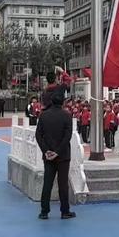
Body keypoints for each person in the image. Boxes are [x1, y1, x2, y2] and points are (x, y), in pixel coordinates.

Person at [35, 91, 76, 220]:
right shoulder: (67, 115)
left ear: (51, 101)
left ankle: (44, 211)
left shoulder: (43, 115)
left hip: (48, 155)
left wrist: (46, 150)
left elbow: (38, 135)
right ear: (63, 102)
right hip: (62, 155)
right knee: (62, 184)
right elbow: (67, 136)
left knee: (47, 182)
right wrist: (57, 151)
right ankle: (65, 211)